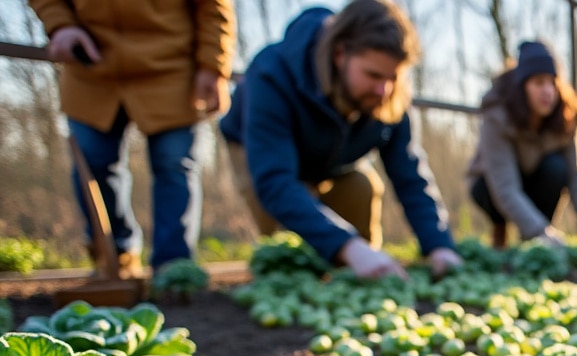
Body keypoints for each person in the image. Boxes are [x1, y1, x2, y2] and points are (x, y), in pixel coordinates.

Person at [219, 0, 460, 279]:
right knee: (287, 235)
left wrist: (439, 245)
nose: (383, 89)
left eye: (392, 77)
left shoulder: (389, 94)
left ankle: (358, 274)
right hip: (260, 152)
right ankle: (294, 282)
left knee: (362, 187)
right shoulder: (271, 74)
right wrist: (347, 246)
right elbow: (275, 182)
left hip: (331, 156)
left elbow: (410, 175)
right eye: (373, 75)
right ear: (339, 53)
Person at [29, 0, 235, 277]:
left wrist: (213, 64)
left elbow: (214, 6)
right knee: (93, 164)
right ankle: (116, 255)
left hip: (170, 67)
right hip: (91, 66)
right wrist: (61, 24)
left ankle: (173, 267)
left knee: (174, 165)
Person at [466, 41, 577, 249]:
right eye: (539, 83)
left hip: (536, 182)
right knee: (488, 187)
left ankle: (537, 241)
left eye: (552, 83)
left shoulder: (566, 117)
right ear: (523, 87)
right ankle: (504, 233)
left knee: (557, 168)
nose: (548, 91)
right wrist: (539, 230)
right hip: (494, 184)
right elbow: (504, 186)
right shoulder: (498, 114)